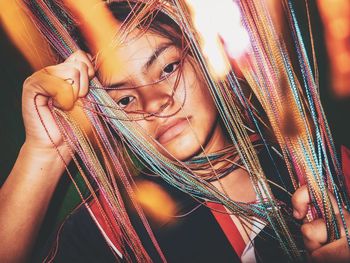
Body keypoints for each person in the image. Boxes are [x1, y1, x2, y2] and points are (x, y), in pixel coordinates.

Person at [0, 1, 350, 262]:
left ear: (203, 60)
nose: (153, 103)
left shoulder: (323, 169)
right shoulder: (114, 226)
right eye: (123, 99)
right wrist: (43, 150)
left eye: (167, 68)